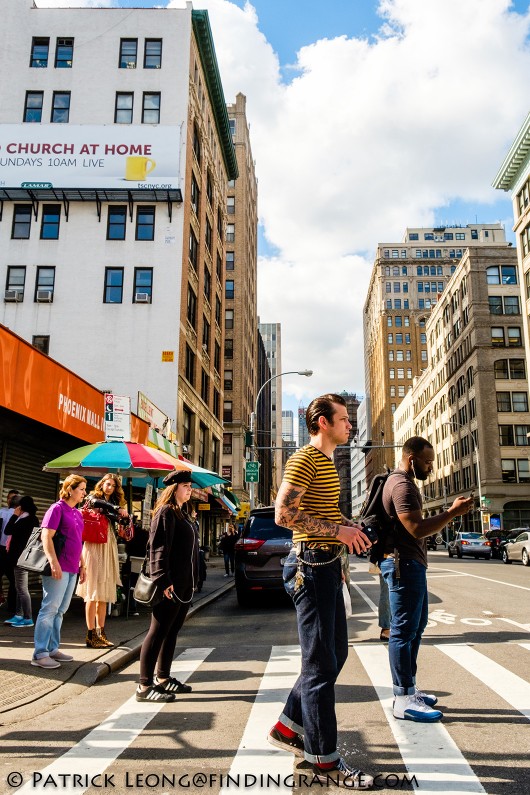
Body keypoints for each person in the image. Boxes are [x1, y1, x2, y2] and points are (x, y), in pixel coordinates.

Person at [268, 394, 374, 789]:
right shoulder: (305, 458)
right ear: (323, 423)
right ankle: (324, 761)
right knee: (319, 667)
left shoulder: (327, 463)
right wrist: (339, 533)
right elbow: (283, 514)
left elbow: (325, 515)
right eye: (345, 419)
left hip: (326, 565)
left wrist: (351, 530)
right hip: (309, 566)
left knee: (336, 654)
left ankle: (287, 726)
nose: (351, 425)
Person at [380, 436, 473, 722]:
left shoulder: (403, 483)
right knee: (403, 631)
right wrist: (451, 512)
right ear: (412, 460)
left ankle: (410, 689)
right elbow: (416, 529)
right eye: (428, 461)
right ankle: (403, 698)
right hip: (402, 565)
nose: (431, 466)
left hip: (409, 564)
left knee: (415, 628)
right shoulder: (402, 485)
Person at [136, 470, 198, 703]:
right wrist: (163, 579)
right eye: (185, 485)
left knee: (171, 631)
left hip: (184, 585)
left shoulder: (183, 514)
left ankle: (163, 678)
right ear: (174, 489)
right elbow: (157, 548)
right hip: (169, 584)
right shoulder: (165, 512)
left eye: (190, 485)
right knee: (158, 631)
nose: (189, 489)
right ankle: (144, 686)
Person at [32, 475, 87, 670]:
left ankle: (52, 648)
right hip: (59, 566)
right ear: (70, 489)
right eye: (81, 489)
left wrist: (82, 564)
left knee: (60, 611)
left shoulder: (77, 513)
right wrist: (53, 562)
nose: (84, 492)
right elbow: (46, 536)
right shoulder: (56, 509)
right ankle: (40, 653)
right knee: (49, 609)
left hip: (72, 567)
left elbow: (77, 540)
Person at [76, 473, 128, 649]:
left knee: (104, 592)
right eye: (107, 484)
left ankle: (101, 632)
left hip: (108, 543)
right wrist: (116, 508)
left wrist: (123, 517)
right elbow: (97, 504)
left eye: (113, 485)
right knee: (92, 592)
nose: (109, 487)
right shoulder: (93, 498)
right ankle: (90, 635)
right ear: (101, 484)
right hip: (94, 545)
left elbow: (117, 520)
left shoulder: (114, 504)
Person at [4, 495, 39, 627]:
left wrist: (14, 516)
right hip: (23, 557)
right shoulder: (33, 519)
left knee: (22, 589)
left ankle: (27, 618)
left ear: (21, 507)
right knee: (19, 588)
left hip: (20, 558)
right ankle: (19, 615)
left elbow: (7, 530)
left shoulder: (25, 520)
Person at [0, 489, 20, 610]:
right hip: (1, 549)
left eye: (13, 498)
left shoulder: (22, 515)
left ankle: (12, 607)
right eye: (9, 498)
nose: (10, 500)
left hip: (12, 552)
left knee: (13, 580)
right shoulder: (1, 512)